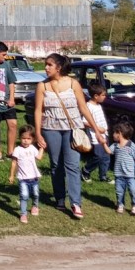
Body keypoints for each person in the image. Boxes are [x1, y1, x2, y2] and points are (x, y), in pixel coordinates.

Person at [34, 53, 105, 220]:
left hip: (73, 129)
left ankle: (75, 203)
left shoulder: (74, 84)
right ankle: (59, 198)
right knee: (56, 164)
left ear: (58, 67)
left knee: (72, 165)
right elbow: (39, 110)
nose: (46, 68)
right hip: (51, 129)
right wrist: (38, 133)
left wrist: (96, 130)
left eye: (49, 65)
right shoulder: (42, 86)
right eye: (46, 64)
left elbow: (83, 108)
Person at [102, 121, 135, 215]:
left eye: (114, 132)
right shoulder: (115, 146)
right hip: (119, 174)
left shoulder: (131, 145)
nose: (112, 135)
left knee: (133, 190)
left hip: (130, 174)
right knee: (119, 191)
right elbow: (109, 151)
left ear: (119, 133)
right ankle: (120, 204)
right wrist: (104, 144)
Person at [9, 124, 44, 224]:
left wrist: (42, 148)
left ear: (32, 139)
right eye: (23, 138)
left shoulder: (32, 148)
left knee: (36, 194)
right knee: (24, 196)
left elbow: (39, 157)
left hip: (34, 178)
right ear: (20, 137)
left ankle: (35, 206)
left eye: (28, 138)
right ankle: (23, 214)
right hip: (23, 179)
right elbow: (13, 163)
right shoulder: (17, 150)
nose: (25, 141)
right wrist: (11, 175)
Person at [81, 81, 112, 184]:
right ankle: (86, 171)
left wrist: (104, 130)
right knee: (98, 156)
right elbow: (84, 122)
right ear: (95, 96)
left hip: (104, 134)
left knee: (106, 157)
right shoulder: (88, 106)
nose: (105, 97)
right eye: (103, 95)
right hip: (95, 135)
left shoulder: (98, 105)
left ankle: (103, 175)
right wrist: (98, 129)